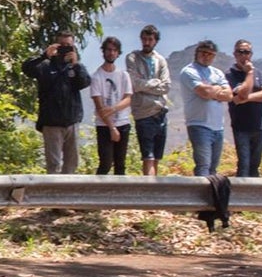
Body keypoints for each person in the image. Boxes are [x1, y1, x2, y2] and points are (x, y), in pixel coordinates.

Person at [22, 30, 92, 174]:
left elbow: (85, 82)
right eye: (62, 45)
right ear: (55, 45)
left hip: (71, 121)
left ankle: (68, 193)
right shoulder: (45, 66)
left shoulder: (75, 67)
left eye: (69, 46)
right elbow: (26, 69)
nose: (65, 48)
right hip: (51, 122)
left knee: (72, 162)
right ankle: (53, 193)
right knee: (53, 164)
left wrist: (76, 64)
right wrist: (44, 55)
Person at [179, 40, 233, 177]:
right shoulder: (189, 71)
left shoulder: (217, 73)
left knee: (213, 168)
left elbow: (229, 95)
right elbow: (205, 93)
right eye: (204, 53)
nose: (207, 56)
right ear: (197, 53)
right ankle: (200, 196)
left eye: (211, 54)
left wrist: (211, 91)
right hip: (199, 124)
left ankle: (212, 196)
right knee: (203, 166)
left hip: (217, 127)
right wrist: (217, 91)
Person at [126, 24, 171, 176]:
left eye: (150, 39)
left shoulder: (160, 60)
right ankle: (150, 192)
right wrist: (155, 82)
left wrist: (146, 84)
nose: (146, 42)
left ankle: (155, 192)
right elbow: (135, 84)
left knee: (157, 157)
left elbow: (166, 86)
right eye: (144, 39)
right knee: (148, 157)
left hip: (161, 112)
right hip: (144, 113)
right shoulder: (133, 58)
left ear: (155, 41)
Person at [225, 39, 262, 177]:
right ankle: (240, 197)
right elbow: (239, 96)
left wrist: (247, 98)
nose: (244, 55)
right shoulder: (230, 75)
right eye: (240, 52)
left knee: (255, 166)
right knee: (244, 165)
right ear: (235, 54)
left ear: (251, 54)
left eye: (247, 52)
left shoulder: (258, 73)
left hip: (258, 126)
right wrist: (250, 74)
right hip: (241, 128)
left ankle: (254, 197)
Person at [90, 37, 133, 175]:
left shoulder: (123, 75)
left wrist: (114, 109)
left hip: (123, 123)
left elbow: (128, 98)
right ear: (103, 51)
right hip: (104, 126)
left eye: (114, 50)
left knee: (120, 165)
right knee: (106, 163)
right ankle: (97, 193)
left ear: (118, 53)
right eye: (108, 49)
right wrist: (112, 128)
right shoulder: (97, 77)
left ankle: (120, 195)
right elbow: (99, 106)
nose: (111, 53)